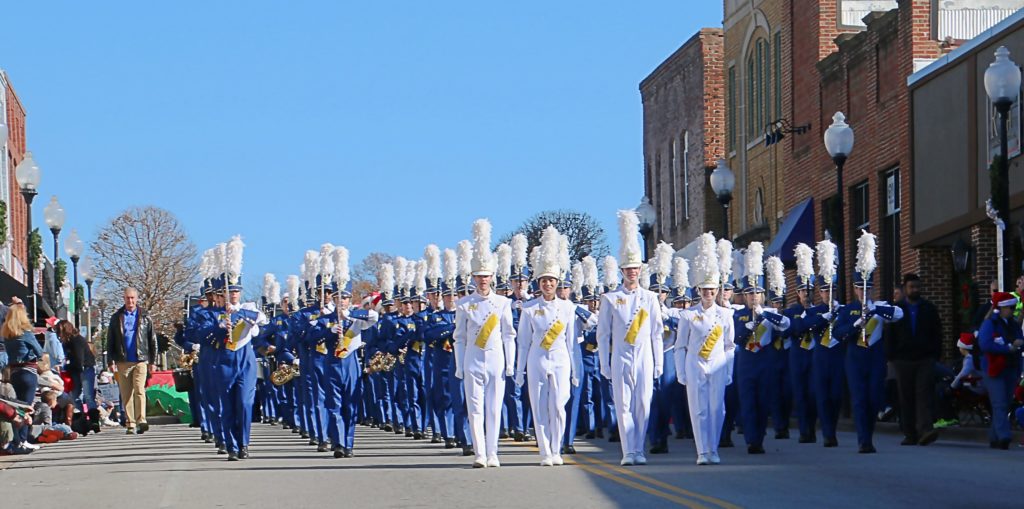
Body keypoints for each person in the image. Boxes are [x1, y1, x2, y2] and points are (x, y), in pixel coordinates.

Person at [597, 210, 663, 467]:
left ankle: (639, 448)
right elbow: (603, 335)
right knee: (623, 405)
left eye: (635, 268)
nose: (632, 272)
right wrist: (605, 361)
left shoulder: (650, 298)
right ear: (622, 270)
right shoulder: (610, 299)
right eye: (628, 268)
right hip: (621, 356)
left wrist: (658, 362)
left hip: (644, 355)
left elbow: (657, 332)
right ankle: (628, 450)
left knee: (643, 404)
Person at [454, 219, 516, 469]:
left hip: (496, 360)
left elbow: (508, 335)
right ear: (473, 277)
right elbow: (459, 337)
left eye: (486, 276)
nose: (482, 280)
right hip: (473, 360)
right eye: (478, 276)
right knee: (475, 408)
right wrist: (460, 365)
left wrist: (510, 363)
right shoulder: (463, 304)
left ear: (492, 277)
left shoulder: (503, 303)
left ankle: (493, 452)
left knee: (493, 409)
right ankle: (480, 452)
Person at [515, 226, 579, 466]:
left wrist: (574, 370)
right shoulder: (530, 308)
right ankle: (545, 451)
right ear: (539, 283)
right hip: (537, 359)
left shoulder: (568, 308)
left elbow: (571, 342)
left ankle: (557, 447)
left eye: (551, 280)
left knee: (559, 405)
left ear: (557, 282)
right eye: (544, 281)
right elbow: (523, 342)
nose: (548, 284)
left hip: (561, 358)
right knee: (540, 406)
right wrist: (520, 370)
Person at [674, 233, 735, 466]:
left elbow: (729, 345)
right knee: (699, 409)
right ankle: (702, 451)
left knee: (717, 409)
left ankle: (713, 447)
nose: (708, 294)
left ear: (717, 290)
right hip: (695, 364)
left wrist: (729, 369)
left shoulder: (725, 315)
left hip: (717, 364)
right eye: (704, 290)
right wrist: (681, 371)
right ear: (698, 290)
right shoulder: (688, 315)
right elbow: (680, 346)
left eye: (712, 290)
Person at [887, 273, 942, 446]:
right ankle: (909, 433)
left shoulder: (929, 309)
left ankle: (925, 430)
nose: (915, 290)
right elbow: (889, 335)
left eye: (918, 287)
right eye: (912, 287)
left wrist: (934, 355)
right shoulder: (896, 310)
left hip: (924, 359)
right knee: (906, 396)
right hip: (902, 359)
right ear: (905, 288)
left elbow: (937, 333)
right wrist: (891, 356)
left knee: (923, 394)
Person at [977, 291, 1024, 450]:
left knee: (1004, 403)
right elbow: (985, 344)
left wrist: (1018, 345)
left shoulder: (1013, 325)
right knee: (999, 403)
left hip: (1010, 367)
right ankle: (1004, 436)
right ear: (1002, 308)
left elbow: (1021, 340)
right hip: (993, 367)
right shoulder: (990, 323)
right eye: (1010, 307)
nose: (1012, 310)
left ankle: (994, 436)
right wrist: (1008, 347)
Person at [3, 303, 43, 453]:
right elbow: (39, 351)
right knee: (27, 407)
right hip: (28, 370)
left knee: (17, 407)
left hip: (14, 372)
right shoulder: (25, 333)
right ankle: (23, 440)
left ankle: (17, 440)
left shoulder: (7, 334)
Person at [58, 320, 95, 410]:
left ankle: (93, 420)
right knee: (74, 396)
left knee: (88, 396)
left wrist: (67, 367)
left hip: (84, 368)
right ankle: (81, 417)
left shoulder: (76, 340)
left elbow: (79, 360)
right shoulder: (67, 342)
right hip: (76, 370)